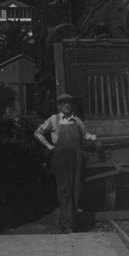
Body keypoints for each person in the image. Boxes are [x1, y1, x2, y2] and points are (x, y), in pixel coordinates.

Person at [34, 93, 98, 232]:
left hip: (76, 157)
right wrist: (49, 145)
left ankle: (71, 221)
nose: (66, 105)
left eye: (69, 103)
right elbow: (38, 133)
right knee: (65, 190)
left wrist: (93, 137)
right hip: (61, 158)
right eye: (63, 103)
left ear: (72, 105)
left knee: (76, 189)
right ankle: (66, 224)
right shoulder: (54, 119)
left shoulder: (77, 121)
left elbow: (84, 134)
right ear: (59, 106)